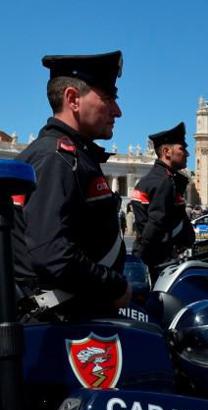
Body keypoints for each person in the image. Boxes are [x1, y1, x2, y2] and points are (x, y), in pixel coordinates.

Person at [13, 51, 131, 318]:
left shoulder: (71, 156)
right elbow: (52, 254)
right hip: (63, 322)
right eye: (108, 98)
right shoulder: (56, 159)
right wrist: (114, 285)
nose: (117, 111)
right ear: (72, 99)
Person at [131, 122, 194, 279]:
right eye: (182, 149)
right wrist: (140, 258)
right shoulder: (163, 181)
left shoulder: (157, 178)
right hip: (159, 262)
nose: (187, 154)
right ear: (166, 151)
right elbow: (155, 225)